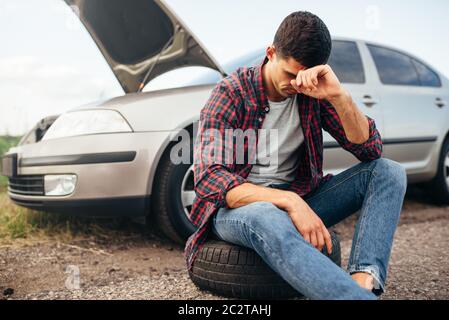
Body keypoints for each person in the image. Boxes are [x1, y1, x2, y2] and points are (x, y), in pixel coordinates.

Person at [184, 11, 407, 300]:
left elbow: (369, 150)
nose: (295, 84)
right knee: (266, 214)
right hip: (238, 209)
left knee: (388, 171)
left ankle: (364, 284)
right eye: (289, 74)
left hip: (302, 196)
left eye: (302, 77)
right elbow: (209, 179)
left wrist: (339, 96)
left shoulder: (310, 90)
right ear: (271, 53)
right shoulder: (231, 93)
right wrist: (289, 201)